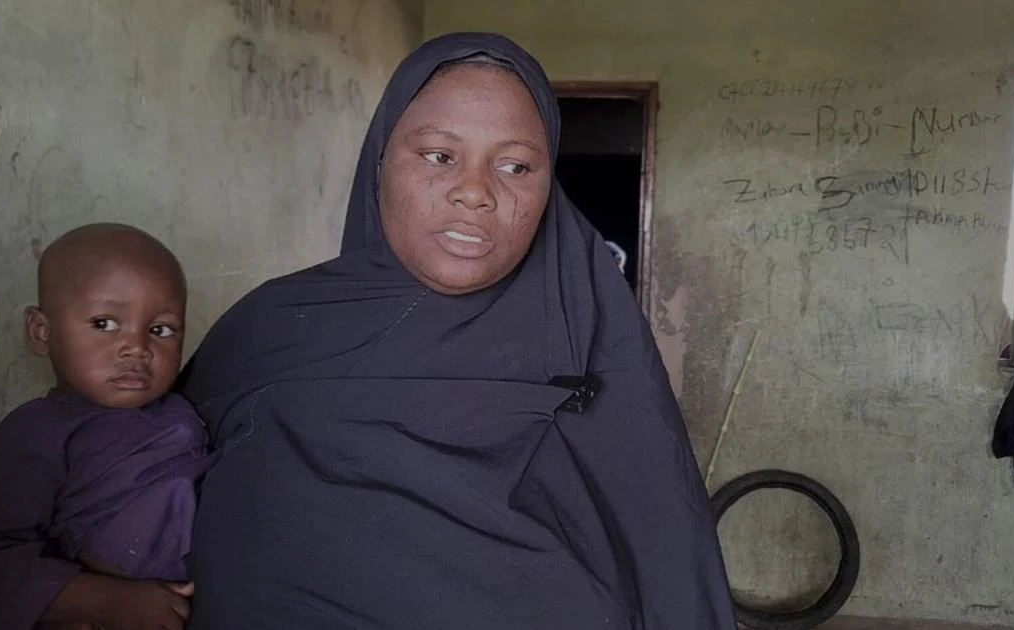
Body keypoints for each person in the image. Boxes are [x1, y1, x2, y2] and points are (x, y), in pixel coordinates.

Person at [179, 32, 738, 629]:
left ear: (548, 185)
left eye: (515, 166)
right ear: (380, 161)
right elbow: (132, 484)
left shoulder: (591, 351)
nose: (474, 192)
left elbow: (670, 571)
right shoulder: (269, 330)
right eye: (438, 156)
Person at [0, 223, 215, 630]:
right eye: (105, 323)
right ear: (41, 332)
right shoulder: (40, 434)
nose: (137, 347)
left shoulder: (185, 410)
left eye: (160, 330)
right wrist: (104, 602)